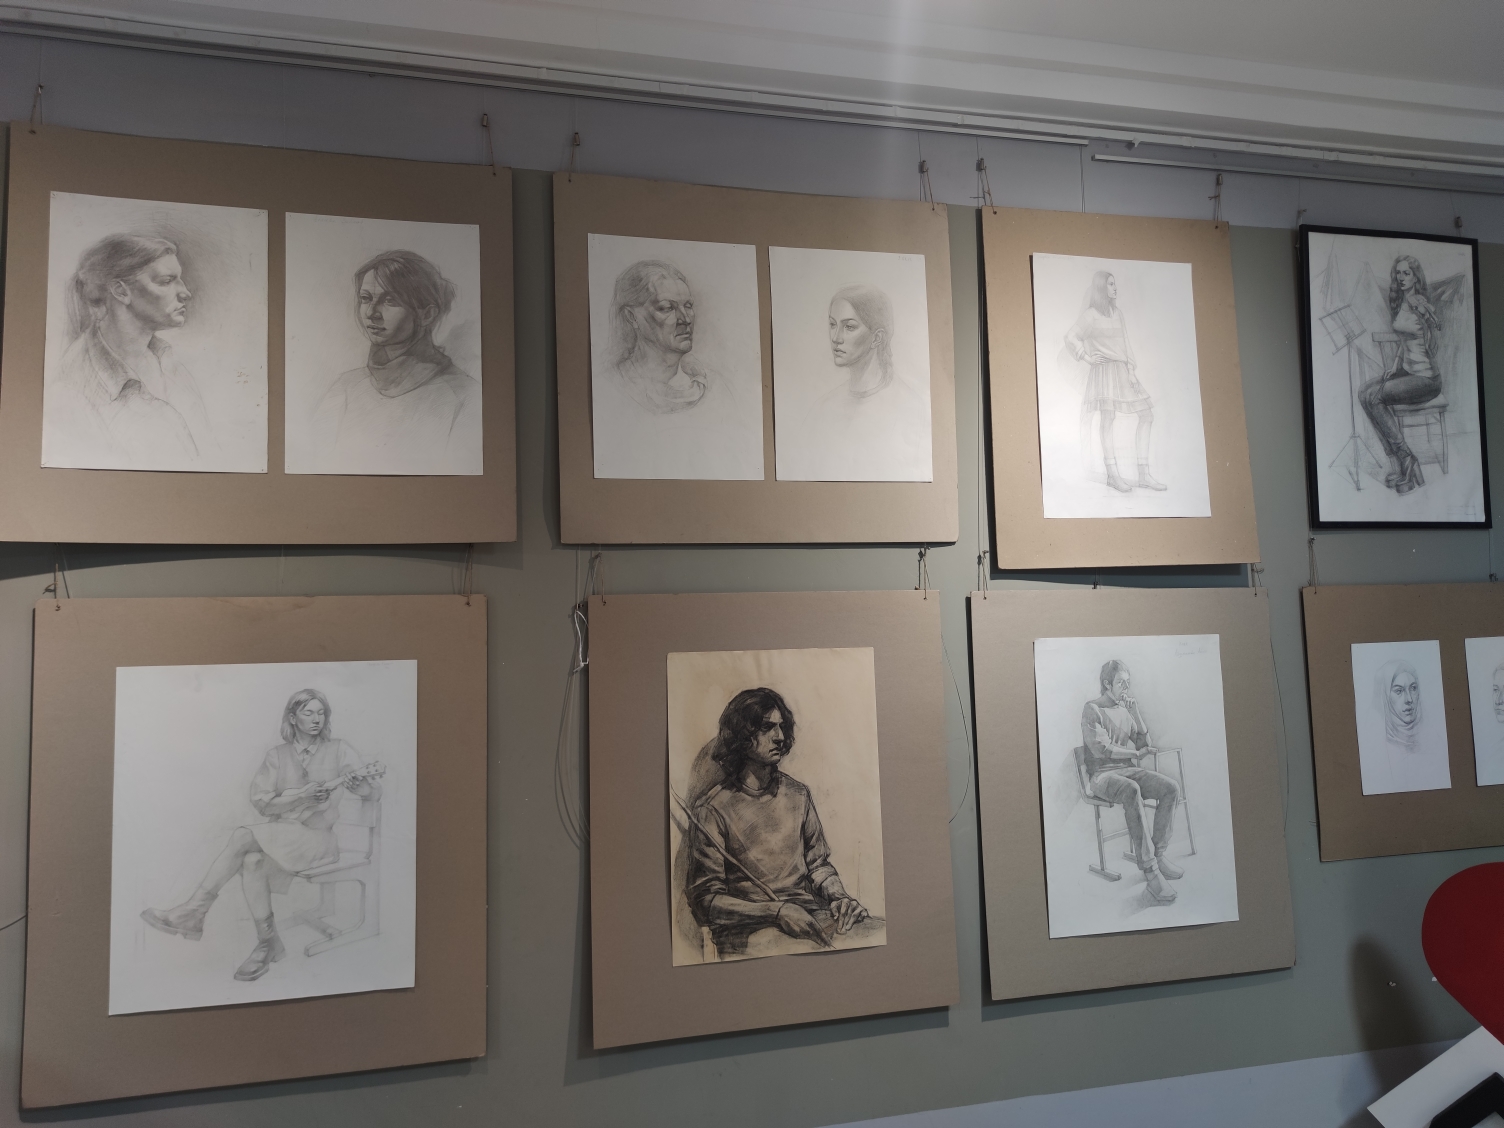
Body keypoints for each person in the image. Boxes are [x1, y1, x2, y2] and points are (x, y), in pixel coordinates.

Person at [140, 689, 381, 982]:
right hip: (283, 838)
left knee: (243, 836)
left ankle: (194, 911)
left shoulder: (340, 750)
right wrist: (300, 797)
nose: (316, 719)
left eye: (321, 713)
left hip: (319, 841)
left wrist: (360, 786)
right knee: (252, 861)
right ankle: (268, 942)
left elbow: (373, 792)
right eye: (308, 712)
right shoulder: (276, 756)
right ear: (292, 717)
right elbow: (262, 803)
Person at [683, 687, 870, 957]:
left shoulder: (798, 794)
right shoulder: (712, 809)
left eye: (782, 727)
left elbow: (818, 865)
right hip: (750, 931)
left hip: (810, 916)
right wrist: (777, 912)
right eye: (767, 727)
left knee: (873, 932)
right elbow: (706, 902)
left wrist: (840, 898)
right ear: (742, 735)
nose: (780, 737)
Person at [45, 232, 214, 469]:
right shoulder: (70, 391)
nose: (185, 292)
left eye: (180, 280)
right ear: (121, 291)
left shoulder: (169, 361)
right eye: (166, 281)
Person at [310, 250, 481, 474]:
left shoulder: (466, 397)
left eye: (390, 300)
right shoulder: (345, 388)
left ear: (427, 315)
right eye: (365, 299)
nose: (371, 312)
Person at [591, 259, 757, 479]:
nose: (685, 319)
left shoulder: (715, 389)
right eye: (666, 308)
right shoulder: (609, 388)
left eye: (688, 306)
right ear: (631, 317)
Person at [789, 284, 931, 481]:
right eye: (832, 324)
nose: (836, 338)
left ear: (877, 337)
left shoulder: (909, 406)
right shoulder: (822, 409)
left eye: (849, 327)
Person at [1080, 660, 1183, 905]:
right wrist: (1136, 754)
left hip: (1126, 770)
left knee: (1170, 788)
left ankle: (1158, 854)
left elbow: (1143, 743)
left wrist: (1135, 713)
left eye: (1128, 682)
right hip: (1101, 776)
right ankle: (1151, 871)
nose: (1126, 688)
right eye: (1121, 683)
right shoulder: (1092, 709)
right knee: (1131, 789)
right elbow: (1102, 750)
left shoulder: (1125, 710)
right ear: (1107, 684)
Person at [1064, 271, 1165, 494]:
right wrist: (1086, 357)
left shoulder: (1118, 314)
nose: (1115, 288)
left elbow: (1126, 343)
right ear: (1102, 287)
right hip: (1103, 371)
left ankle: (1144, 474)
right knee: (1108, 418)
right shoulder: (1090, 315)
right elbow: (1070, 336)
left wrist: (1131, 371)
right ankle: (1112, 475)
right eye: (1110, 284)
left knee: (1147, 414)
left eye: (1115, 284)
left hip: (1122, 370)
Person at [1359, 255, 1442, 496]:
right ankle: (1398, 462)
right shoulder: (1400, 301)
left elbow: (1433, 340)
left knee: (1375, 397)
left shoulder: (1419, 303)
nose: (1401, 277)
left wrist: (1428, 320)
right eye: (1398, 273)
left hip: (1426, 379)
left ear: (1416, 277)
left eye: (1407, 273)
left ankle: (1407, 459)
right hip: (1407, 371)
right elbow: (1404, 340)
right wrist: (1395, 365)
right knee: (1364, 393)